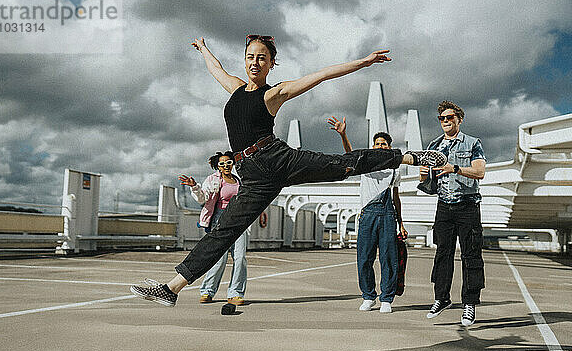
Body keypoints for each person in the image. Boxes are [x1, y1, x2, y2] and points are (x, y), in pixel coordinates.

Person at [130, 35, 446, 307]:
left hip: (275, 158)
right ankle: (172, 289)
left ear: (271, 64)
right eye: (250, 57)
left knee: (339, 165)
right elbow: (217, 69)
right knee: (225, 229)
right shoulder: (236, 89)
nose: (255, 62)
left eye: (262, 59)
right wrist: (203, 49)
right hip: (251, 174)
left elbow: (320, 75)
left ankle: (407, 158)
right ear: (245, 60)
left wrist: (362, 63)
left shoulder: (273, 93)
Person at [328, 116, 407, 313]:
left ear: (389, 148)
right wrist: (343, 134)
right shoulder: (365, 164)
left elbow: (396, 198)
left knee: (388, 258)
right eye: (377, 143)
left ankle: (386, 298)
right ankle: (368, 296)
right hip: (367, 214)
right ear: (372, 147)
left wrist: (401, 223)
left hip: (387, 215)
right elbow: (350, 154)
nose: (380, 146)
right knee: (364, 258)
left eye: (384, 144)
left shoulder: (395, 170)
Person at [421, 101, 486, 326]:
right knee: (442, 254)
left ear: (459, 119)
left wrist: (455, 168)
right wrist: (423, 175)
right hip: (444, 206)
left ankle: (469, 303)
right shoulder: (434, 145)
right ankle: (441, 298)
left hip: (468, 206)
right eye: (442, 118)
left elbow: (480, 172)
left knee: (470, 255)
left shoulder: (472, 143)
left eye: (450, 117)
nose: (446, 121)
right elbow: (429, 181)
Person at [179, 151, 248, 306]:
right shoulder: (213, 180)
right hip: (219, 219)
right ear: (217, 166)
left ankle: (235, 294)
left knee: (240, 258)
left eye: (228, 162)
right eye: (222, 164)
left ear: (233, 164)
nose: (225, 166)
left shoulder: (239, 181)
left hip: (239, 219)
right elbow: (202, 198)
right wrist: (194, 187)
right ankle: (207, 291)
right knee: (218, 259)